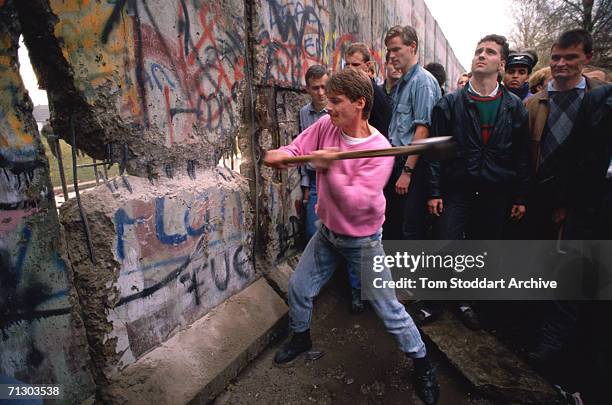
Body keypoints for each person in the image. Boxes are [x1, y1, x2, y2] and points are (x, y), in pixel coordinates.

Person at [264, 69, 440, 405]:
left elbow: (358, 203)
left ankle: (422, 362)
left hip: (363, 240)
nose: (327, 107)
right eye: (327, 100)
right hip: (328, 233)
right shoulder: (327, 125)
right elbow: (299, 146)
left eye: (336, 101)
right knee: (299, 288)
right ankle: (300, 337)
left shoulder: (379, 149)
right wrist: (284, 155)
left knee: (388, 309)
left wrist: (331, 167)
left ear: (359, 103)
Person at [423, 34, 530, 329]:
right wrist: (433, 191)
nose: (481, 55)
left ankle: (465, 301)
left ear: (501, 64)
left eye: (490, 52)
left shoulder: (514, 107)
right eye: (478, 51)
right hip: (457, 187)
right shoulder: (449, 104)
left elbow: (521, 155)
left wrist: (521, 196)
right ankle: (434, 301)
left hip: (495, 190)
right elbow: (434, 152)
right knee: (445, 243)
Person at [524, 28, 606, 240]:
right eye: (556, 57)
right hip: (541, 194)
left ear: (587, 57)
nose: (561, 64)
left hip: (587, 199)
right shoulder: (531, 104)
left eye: (570, 57)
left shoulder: (603, 99)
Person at [384, 25, 442, 240]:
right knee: (395, 226)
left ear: (412, 47)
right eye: (389, 50)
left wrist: (407, 172)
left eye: (396, 49)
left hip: (412, 167)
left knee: (411, 229)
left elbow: (423, 130)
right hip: (398, 162)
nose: (391, 55)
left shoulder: (422, 82)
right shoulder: (403, 83)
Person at [298, 65, 329, 242]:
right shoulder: (304, 113)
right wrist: (306, 184)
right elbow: (303, 148)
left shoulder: (336, 111)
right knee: (312, 232)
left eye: (324, 87)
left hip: (334, 177)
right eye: (316, 88)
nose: (320, 92)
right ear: (307, 89)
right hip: (314, 180)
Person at [344, 42, 392, 137]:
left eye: (355, 64)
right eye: (347, 65)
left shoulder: (375, 94)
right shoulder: (351, 89)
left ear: (367, 66)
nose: (350, 69)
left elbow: (381, 131)